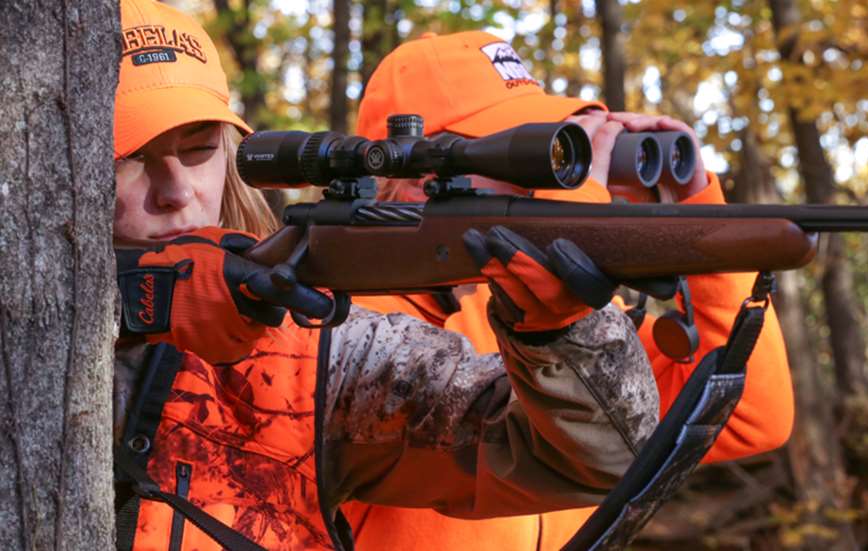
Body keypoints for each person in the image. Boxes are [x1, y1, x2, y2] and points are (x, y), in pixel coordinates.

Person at [111, 2, 662, 550]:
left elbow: (606, 460)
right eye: (128, 157)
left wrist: (563, 332)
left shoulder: (314, 355)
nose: (178, 192)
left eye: (199, 150)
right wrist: (130, 309)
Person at [341, 31, 795, 550]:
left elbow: (748, 419)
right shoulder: (346, 329)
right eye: (525, 152)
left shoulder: (547, 311)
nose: (556, 174)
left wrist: (695, 213)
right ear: (422, 177)